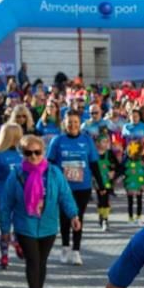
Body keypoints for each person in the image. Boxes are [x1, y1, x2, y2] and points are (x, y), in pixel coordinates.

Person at [1, 134, 80, 288]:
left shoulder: (54, 173)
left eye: (37, 152)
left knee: (42, 262)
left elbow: (65, 196)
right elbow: (6, 204)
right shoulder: (16, 175)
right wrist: (5, 228)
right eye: (28, 153)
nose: (33, 156)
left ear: (43, 152)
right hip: (25, 225)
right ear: (22, 153)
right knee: (33, 260)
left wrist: (74, 215)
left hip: (48, 226)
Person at [46, 109, 104, 266]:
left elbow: (93, 163)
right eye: (70, 122)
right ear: (64, 123)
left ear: (80, 124)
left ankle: (76, 251)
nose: (72, 125)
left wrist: (101, 184)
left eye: (76, 122)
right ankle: (65, 247)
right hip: (63, 187)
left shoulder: (86, 141)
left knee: (79, 217)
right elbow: (49, 164)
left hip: (83, 186)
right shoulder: (57, 141)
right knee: (65, 218)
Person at [0, 123, 25, 269]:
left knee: (18, 222)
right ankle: (4, 254)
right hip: (2, 194)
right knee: (4, 225)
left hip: (20, 195)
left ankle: (16, 242)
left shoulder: (21, 154)